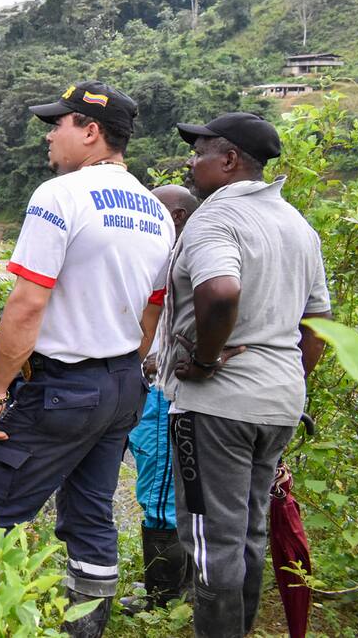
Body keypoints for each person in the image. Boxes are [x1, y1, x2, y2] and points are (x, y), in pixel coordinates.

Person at [0, 80, 174, 638]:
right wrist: (120, 372)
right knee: (91, 514)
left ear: (91, 132)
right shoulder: (158, 211)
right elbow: (152, 314)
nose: (49, 135)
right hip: (122, 384)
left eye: (59, 124)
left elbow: (27, 304)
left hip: (60, 388)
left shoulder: (60, 195)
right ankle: (85, 628)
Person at [157, 112, 330, 638]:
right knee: (249, 534)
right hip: (278, 404)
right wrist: (287, 379)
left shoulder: (215, 219)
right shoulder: (298, 226)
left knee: (212, 542)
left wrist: (205, 362)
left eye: (200, 153)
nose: (192, 162)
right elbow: (318, 324)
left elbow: (221, 291)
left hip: (217, 408)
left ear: (230, 160)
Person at [120, 184, 199, 614]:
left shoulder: (183, 259)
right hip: (155, 389)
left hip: (164, 394)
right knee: (166, 490)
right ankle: (176, 587)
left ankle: (163, 598)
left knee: (161, 495)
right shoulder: (173, 258)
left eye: (157, 208)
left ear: (179, 216)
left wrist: (163, 359)